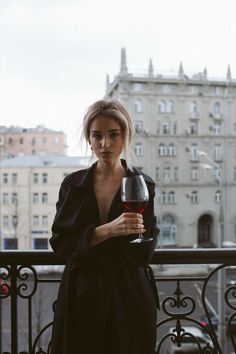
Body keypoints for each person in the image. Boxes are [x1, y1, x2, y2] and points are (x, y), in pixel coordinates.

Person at [49, 99, 159, 354]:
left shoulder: (143, 185)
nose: (105, 144)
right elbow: (60, 244)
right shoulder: (73, 185)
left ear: (125, 136)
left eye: (113, 135)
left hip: (128, 298)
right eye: (97, 135)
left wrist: (87, 244)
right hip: (80, 297)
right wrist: (109, 230)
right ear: (89, 138)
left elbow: (142, 251)